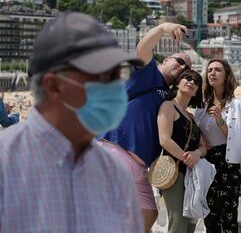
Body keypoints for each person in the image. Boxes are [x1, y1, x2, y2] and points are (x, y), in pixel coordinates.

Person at [0, 12, 143, 232]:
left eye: (117, 75)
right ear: (54, 86)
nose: (115, 88)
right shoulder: (5, 164)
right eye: (103, 76)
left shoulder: (115, 174)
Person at [100, 22, 192, 229]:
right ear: (166, 59)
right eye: (180, 61)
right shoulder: (148, 72)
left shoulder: (169, 95)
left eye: (187, 68)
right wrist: (162, 28)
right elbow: (142, 49)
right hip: (118, 150)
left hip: (141, 166)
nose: (183, 68)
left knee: (149, 213)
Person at [195, 59, 241, 233]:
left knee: (229, 218)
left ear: (227, 75)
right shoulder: (202, 106)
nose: (212, 73)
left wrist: (220, 120)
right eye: (210, 70)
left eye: (218, 70)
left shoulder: (237, 106)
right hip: (206, 164)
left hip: (228, 165)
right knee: (210, 218)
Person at [157, 70, 207, 232]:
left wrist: (196, 154)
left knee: (190, 225)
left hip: (192, 175)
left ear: (197, 92)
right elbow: (164, 140)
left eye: (196, 82)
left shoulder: (191, 117)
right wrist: (187, 158)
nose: (192, 82)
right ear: (178, 83)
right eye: (188, 78)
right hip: (174, 170)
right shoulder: (168, 106)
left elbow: (203, 146)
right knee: (178, 222)